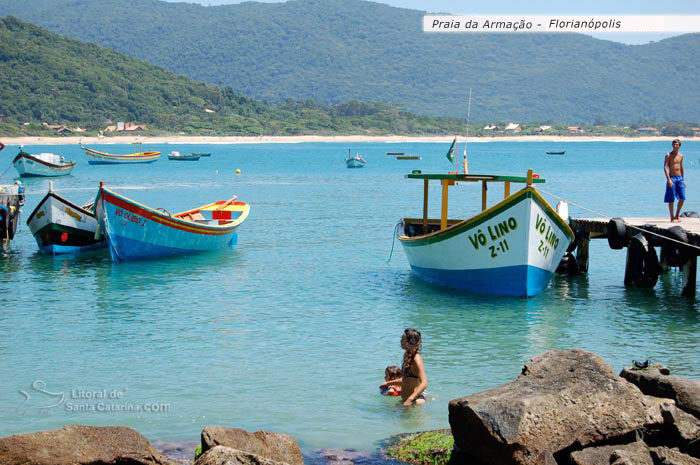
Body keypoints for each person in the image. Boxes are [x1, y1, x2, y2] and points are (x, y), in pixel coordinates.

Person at [399, 328, 427, 406]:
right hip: (407, 401)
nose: (400, 341)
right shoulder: (407, 355)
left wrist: (409, 400)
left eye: (402, 339)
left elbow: (424, 383)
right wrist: (387, 383)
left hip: (414, 401)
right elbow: (406, 380)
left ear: (409, 342)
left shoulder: (416, 359)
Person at [664, 139, 685, 222]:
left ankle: (677, 215)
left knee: (682, 198)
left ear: (679, 146)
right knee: (671, 199)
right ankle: (672, 217)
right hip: (672, 178)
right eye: (674, 144)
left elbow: (681, 167)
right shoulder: (668, 155)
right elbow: (665, 167)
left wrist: (683, 179)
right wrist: (668, 179)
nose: (675, 145)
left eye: (677, 144)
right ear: (672, 145)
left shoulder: (681, 156)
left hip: (680, 178)